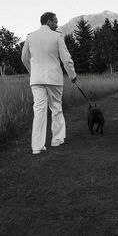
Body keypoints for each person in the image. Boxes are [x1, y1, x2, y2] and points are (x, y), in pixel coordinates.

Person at [21, 12, 77, 155]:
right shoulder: (57, 36)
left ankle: (37, 147)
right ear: (48, 21)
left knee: (39, 111)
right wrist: (72, 75)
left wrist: (32, 72)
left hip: (36, 79)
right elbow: (66, 59)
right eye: (55, 21)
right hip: (54, 79)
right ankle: (57, 140)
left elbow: (24, 58)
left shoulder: (30, 37)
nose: (57, 24)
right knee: (56, 108)